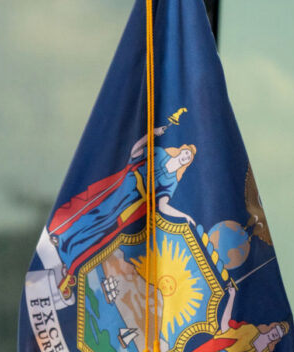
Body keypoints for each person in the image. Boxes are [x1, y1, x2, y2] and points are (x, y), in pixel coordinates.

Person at [49, 126, 196, 298]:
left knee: (100, 233)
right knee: (93, 213)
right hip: (124, 187)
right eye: (186, 153)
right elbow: (135, 152)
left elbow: (163, 205)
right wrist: (151, 134)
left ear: (186, 163)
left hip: (131, 205)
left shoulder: (172, 181)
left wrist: (184, 216)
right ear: (181, 150)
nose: (185, 158)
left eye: (188, 159)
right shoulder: (161, 153)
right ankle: (63, 236)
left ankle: (72, 262)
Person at [163, 286, 288, 352]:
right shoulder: (250, 330)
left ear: (278, 339)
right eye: (276, 330)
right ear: (271, 327)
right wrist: (232, 296)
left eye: (278, 334)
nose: (275, 334)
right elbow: (225, 326)